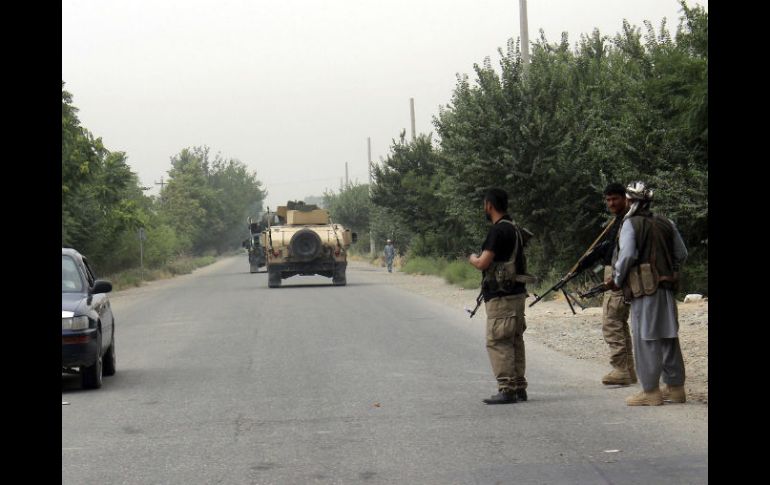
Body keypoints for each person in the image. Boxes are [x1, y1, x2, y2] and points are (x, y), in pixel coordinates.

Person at [606, 181, 688, 406]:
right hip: (666, 289)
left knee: (646, 339)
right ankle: (676, 388)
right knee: (668, 337)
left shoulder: (630, 224)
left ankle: (650, 391)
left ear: (631, 201)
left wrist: (617, 278)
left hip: (645, 290)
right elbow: (681, 254)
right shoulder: (666, 222)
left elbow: (628, 255)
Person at [469, 188, 529, 404]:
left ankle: (506, 388)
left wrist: (472, 258)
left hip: (501, 296)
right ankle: (519, 386)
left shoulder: (498, 231)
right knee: (514, 340)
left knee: (498, 341)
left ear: (489, 205)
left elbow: (483, 262)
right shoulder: (514, 228)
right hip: (517, 294)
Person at [576, 183, 637, 386]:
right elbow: (610, 248)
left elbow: (625, 253)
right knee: (618, 323)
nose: (611, 203)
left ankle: (621, 369)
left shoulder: (627, 221)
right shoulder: (619, 220)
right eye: (608, 199)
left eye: (615, 199)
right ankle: (628, 369)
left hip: (619, 276)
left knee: (611, 323)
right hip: (616, 273)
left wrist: (617, 277)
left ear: (625, 198)